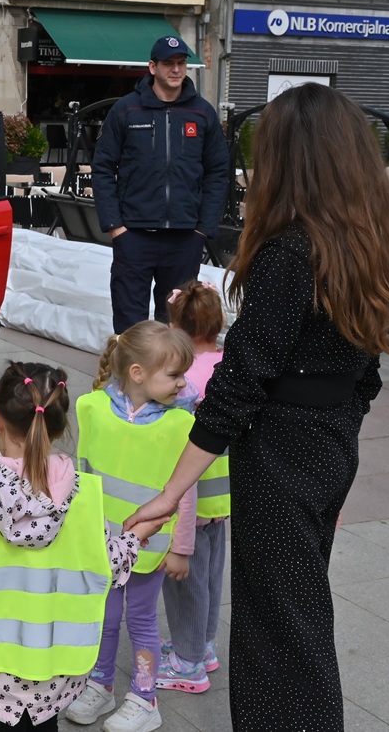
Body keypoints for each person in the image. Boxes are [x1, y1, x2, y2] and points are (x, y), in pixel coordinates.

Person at [124, 84, 389, 732]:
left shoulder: (290, 253)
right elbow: (365, 375)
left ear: (290, 159)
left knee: (279, 634)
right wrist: (335, 448)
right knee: (298, 619)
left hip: (282, 461)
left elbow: (238, 387)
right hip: (327, 451)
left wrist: (169, 494)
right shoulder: (364, 244)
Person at [0, 362, 167, 732]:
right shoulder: (83, 496)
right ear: (59, 426)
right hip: (57, 664)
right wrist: (136, 537)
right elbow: (107, 564)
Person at [64, 322, 197, 732]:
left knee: (140, 620)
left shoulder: (180, 423)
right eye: (174, 374)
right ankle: (99, 685)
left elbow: (185, 492)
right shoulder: (93, 408)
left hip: (148, 546)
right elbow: (83, 475)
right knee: (103, 618)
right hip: (103, 543)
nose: (183, 382)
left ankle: (144, 698)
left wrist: (181, 547)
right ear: (138, 373)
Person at [90, 35, 229, 334]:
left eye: (181, 63)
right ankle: (131, 368)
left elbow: (218, 171)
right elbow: (102, 167)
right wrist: (116, 227)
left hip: (185, 239)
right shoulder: (126, 110)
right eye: (168, 64)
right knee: (131, 328)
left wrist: (203, 229)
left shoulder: (202, 112)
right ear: (152, 67)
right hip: (134, 236)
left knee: (177, 327)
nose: (176, 70)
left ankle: (173, 369)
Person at [156, 281, 228, 695]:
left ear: (178, 328)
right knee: (211, 577)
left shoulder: (184, 380)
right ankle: (204, 644)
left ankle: (187, 662)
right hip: (222, 495)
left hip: (191, 496)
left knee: (185, 582)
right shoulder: (228, 366)